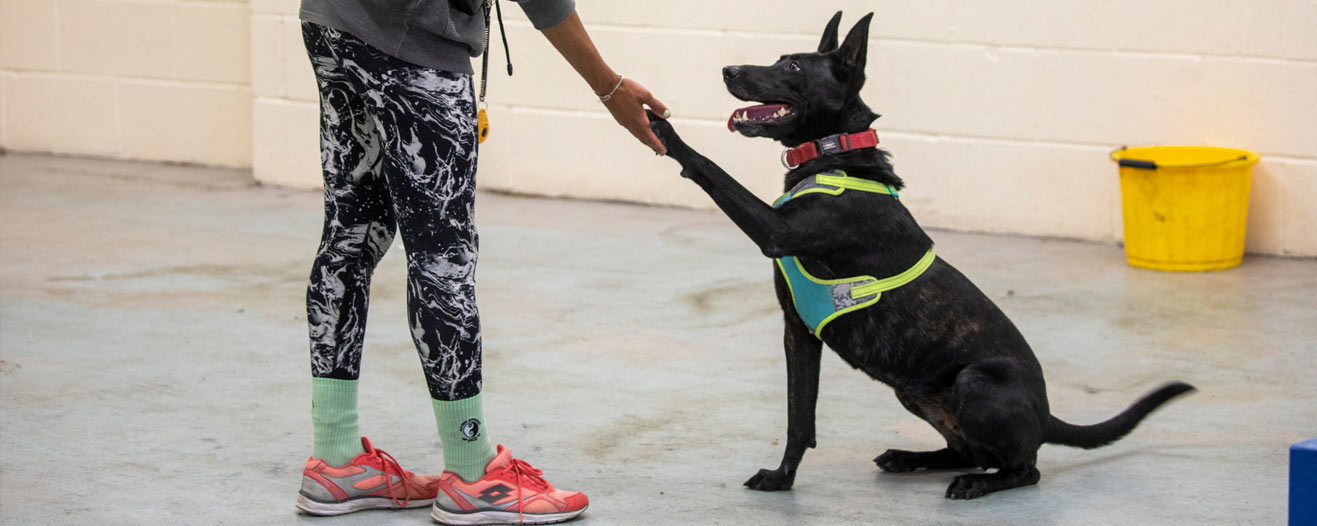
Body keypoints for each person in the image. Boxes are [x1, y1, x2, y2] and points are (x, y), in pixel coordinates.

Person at [293, 0, 668, 523]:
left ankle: (335, 460)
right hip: (413, 38)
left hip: (332, 21)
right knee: (442, 256)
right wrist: (608, 85)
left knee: (351, 234)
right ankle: (473, 473)